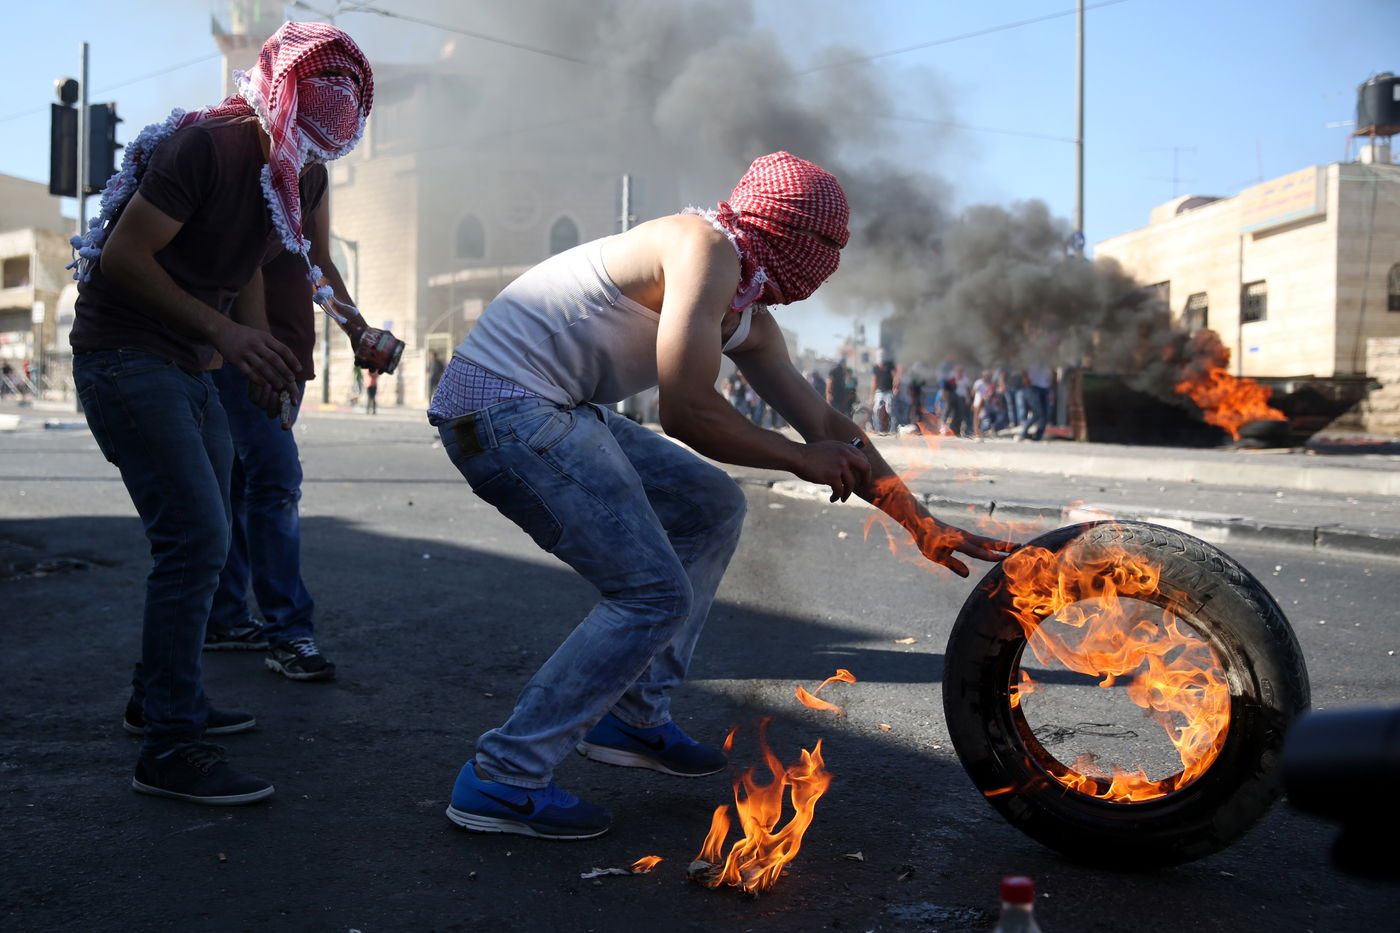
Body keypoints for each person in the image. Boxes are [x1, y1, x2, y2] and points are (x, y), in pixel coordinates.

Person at [427, 151, 1012, 840]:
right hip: (498, 409)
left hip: (552, 407)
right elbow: (687, 411)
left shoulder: (747, 311)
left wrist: (919, 522)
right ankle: (504, 775)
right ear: (780, 229)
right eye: (821, 245)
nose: (826, 265)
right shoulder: (702, 247)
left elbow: (829, 427)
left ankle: (633, 717)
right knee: (651, 592)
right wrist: (800, 460)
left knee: (711, 505)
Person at [68, 21, 374, 806]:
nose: (315, 142)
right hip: (125, 355)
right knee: (198, 535)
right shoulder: (207, 146)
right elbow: (123, 257)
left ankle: (156, 700)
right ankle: (170, 746)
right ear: (278, 88)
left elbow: (252, 263)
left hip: (193, 365)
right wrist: (227, 334)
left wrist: (258, 352)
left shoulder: (294, 172)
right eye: (310, 113)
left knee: (212, 529)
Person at [203, 184, 393, 680]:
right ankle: (288, 632)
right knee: (275, 479)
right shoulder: (254, 156)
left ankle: (223, 618)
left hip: (288, 350)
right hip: (245, 352)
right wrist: (259, 354)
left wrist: (358, 330)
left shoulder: (313, 171)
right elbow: (241, 264)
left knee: (243, 483)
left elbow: (318, 261)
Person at [869, 349, 897, 434]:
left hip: (888, 391)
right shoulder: (875, 367)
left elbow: (895, 377)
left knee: (891, 410)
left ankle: (893, 429)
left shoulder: (889, 365)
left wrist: (895, 388)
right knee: (875, 410)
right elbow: (874, 381)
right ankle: (877, 428)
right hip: (879, 392)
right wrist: (871, 395)